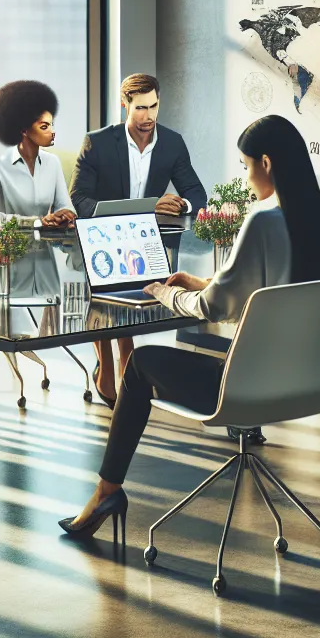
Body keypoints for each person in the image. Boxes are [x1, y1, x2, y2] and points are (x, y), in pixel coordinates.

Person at [58, 114, 320, 541]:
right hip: (311, 383)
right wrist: (201, 282)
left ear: (267, 163)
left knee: (139, 364)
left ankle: (106, 492)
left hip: (245, 389)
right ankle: (106, 494)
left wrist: (164, 292)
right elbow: (272, 293)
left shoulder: (263, 221)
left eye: (247, 166)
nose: (246, 178)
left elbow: (213, 308)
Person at [70, 74, 209, 404]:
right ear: (125, 105)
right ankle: (109, 362)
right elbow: (79, 198)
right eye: (141, 108)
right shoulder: (97, 143)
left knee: (133, 288)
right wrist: (147, 206)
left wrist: (182, 204)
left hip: (144, 241)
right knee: (104, 286)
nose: (149, 116)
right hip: (101, 238)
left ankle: (125, 357)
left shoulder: (172, 143)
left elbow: (197, 194)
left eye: (154, 106)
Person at [0, 81, 77, 297]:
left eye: (51, 125)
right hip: (11, 269)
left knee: (54, 313)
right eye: (44, 126)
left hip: (47, 269)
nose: (52, 132)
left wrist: (66, 216)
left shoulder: (53, 163)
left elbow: (65, 205)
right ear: (23, 129)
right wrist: (35, 222)